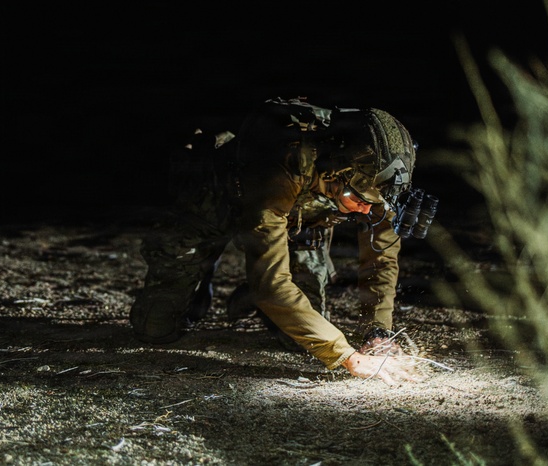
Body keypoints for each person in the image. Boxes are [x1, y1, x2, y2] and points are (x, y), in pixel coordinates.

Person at [130, 96, 426, 385]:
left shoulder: (382, 186)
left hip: (298, 223)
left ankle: (250, 294)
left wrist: (378, 332)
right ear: (335, 172)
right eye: (357, 199)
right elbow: (271, 284)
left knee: (300, 338)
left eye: (374, 204)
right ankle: (203, 275)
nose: (366, 209)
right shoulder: (284, 162)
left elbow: (381, 260)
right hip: (214, 205)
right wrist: (347, 355)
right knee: (156, 328)